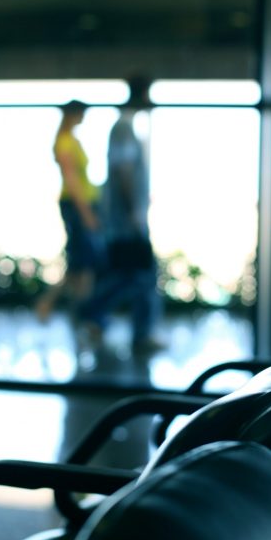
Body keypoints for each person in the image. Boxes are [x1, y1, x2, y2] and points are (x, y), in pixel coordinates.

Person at [79, 76, 163, 355]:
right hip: (127, 221)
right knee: (139, 276)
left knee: (127, 276)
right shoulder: (124, 128)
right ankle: (132, 330)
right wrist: (133, 213)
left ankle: (98, 319)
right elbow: (123, 171)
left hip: (126, 218)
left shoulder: (124, 127)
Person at [36, 99, 100, 321]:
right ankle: (53, 304)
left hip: (82, 204)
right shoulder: (64, 142)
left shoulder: (72, 140)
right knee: (81, 262)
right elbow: (72, 180)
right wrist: (86, 213)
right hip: (76, 206)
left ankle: (80, 310)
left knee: (83, 264)